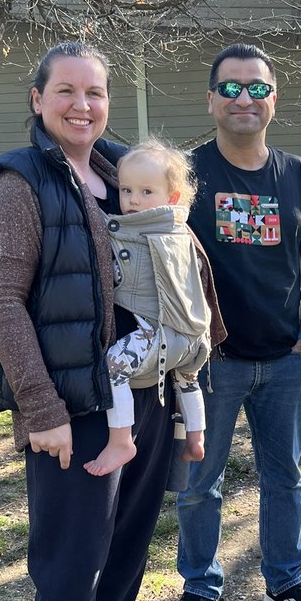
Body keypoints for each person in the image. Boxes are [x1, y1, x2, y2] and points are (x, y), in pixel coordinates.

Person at [0, 42, 183, 601]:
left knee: (128, 535)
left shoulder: (130, 174)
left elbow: (183, 264)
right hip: (72, 407)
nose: (82, 106)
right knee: (72, 551)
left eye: (94, 93)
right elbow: (2, 304)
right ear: (37, 99)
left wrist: (193, 369)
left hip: (146, 392)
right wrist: (42, 406)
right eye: (66, 91)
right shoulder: (18, 184)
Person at [162, 41, 301, 601]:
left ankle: (285, 582)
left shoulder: (298, 175)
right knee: (198, 482)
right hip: (209, 366)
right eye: (232, 87)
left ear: (273, 100)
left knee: (285, 477)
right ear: (211, 98)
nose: (245, 98)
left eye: (258, 88)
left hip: (285, 361)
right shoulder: (183, 176)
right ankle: (198, 588)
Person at [85, 139, 220, 477]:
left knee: (115, 364)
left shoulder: (137, 233)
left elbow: (116, 271)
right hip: (192, 334)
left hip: (155, 333)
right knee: (187, 378)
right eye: (127, 189)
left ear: (171, 197)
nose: (132, 200)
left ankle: (120, 439)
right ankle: (196, 436)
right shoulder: (180, 229)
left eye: (146, 192)